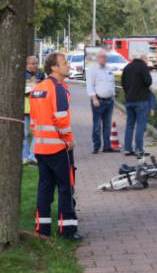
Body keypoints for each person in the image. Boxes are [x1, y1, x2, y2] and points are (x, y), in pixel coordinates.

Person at [29, 53, 81, 241]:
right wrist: (68, 140)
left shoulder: (37, 89)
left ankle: (42, 230)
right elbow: (61, 118)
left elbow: (33, 122)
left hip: (41, 148)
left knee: (44, 188)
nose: (68, 66)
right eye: (64, 63)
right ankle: (67, 231)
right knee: (65, 188)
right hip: (59, 148)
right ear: (54, 68)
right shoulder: (58, 89)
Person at [121, 51, 154, 156]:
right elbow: (148, 82)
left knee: (130, 125)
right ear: (143, 58)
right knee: (140, 125)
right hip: (141, 101)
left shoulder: (127, 67)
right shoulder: (143, 67)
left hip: (129, 100)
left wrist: (129, 93)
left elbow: (123, 84)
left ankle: (127, 149)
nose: (147, 61)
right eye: (147, 58)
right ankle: (139, 149)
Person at [86, 49, 119, 153]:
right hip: (98, 101)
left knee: (107, 125)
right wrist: (94, 98)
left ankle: (107, 146)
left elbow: (112, 84)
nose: (103, 59)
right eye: (101, 57)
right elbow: (90, 85)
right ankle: (96, 146)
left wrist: (113, 97)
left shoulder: (108, 69)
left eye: (105, 57)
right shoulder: (92, 69)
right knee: (97, 125)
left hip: (109, 101)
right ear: (97, 58)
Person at [23, 55, 44, 165]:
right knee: (25, 134)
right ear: (27, 64)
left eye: (36, 63)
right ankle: (24, 157)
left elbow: (44, 90)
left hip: (37, 108)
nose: (34, 65)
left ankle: (33, 155)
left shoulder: (41, 74)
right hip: (24, 108)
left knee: (37, 132)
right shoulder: (22, 74)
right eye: (32, 63)